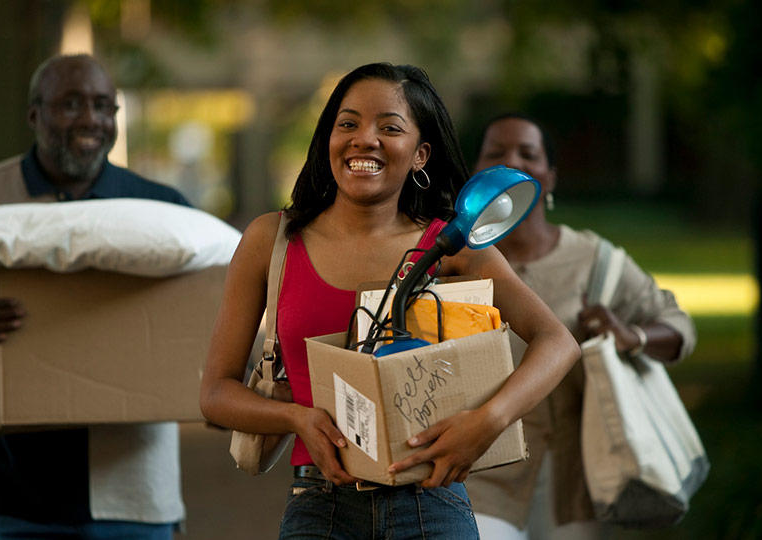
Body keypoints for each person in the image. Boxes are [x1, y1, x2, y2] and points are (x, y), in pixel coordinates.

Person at [199, 63, 580, 539]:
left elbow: (558, 342)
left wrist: (488, 421)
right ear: (329, 139)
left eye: (390, 128)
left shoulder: (450, 245)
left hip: (432, 507)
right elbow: (215, 394)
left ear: (420, 154)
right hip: (320, 508)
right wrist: (296, 416)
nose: (364, 139)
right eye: (348, 123)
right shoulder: (272, 241)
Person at [0, 54, 190, 539]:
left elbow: (202, 319)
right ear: (34, 115)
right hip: (9, 493)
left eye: (103, 105)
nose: (91, 119)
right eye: (70, 104)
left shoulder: (162, 210)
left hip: (131, 491)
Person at [465, 113, 697, 540]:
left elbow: (679, 325)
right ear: (477, 174)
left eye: (527, 153)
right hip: (483, 479)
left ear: (549, 178)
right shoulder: (456, 264)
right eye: (496, 153)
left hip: (579, 479)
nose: (511, 161)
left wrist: (632, 336)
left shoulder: (596, 261)